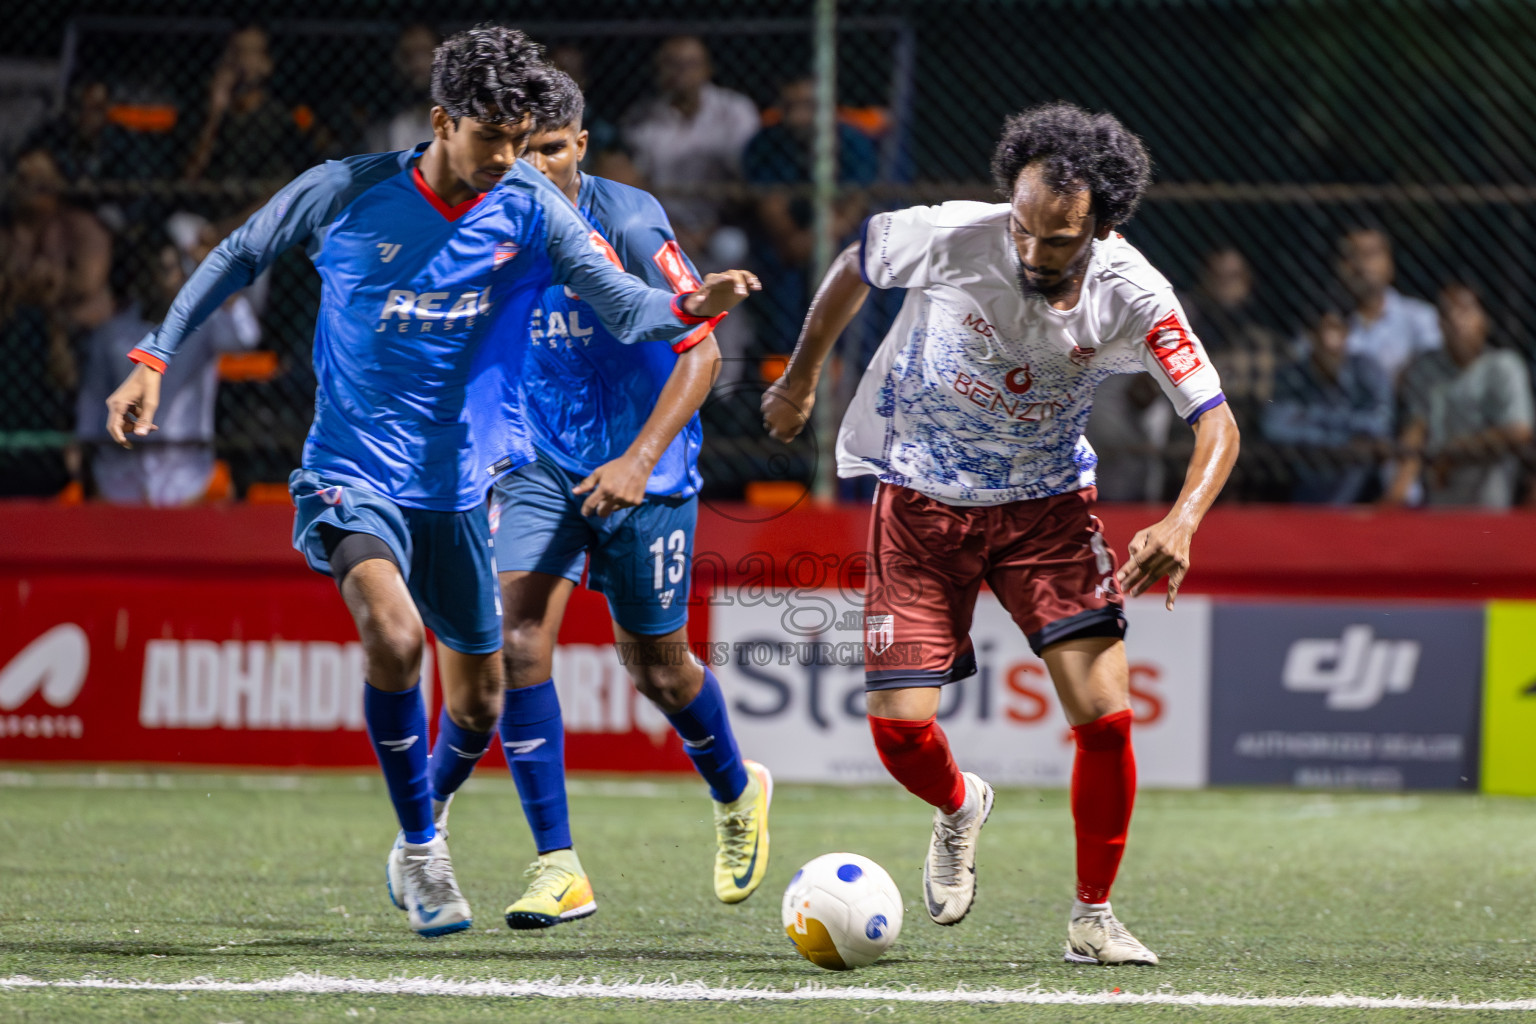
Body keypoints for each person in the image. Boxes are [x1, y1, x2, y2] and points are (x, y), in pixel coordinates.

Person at [104, 25, 758, 939]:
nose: (505, 157)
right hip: (349, 471)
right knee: (394, 633)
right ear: (442, 119)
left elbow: (622, 304)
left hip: (455, 489)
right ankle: (423, 848)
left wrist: (687, 305)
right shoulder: (347, 189)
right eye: (491, 136)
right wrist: (153, 356)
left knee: (483, 698)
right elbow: (238, 253)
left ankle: (685, 795)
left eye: (519, 136)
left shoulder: (529, 204)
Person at [761, 102, 1239, 966]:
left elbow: (1217, 421)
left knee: (1104, 719)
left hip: (1047, 510)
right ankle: (958, 805)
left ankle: (1093, 918)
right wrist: (800, 381)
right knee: (899, 731)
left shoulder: (1134, 294)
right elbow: (854, 262)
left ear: (1102, 226)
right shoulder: (952, 235)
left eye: (1056, 240)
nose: (1030, 252)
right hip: (917, 501)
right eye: (1022, 228)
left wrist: (1183, 517)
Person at [491, 72, 771, 930]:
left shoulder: (632, 221)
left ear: (579, 145)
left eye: (546, 150)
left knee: (655, 668)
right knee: (519, 641)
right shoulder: (492, 222)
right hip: (543, 463)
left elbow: (703, 357)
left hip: (644, 470)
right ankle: (558, 864)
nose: (529, 170)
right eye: (515, 153)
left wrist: (638, 461)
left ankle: (736, 791)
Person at [76, 231, 259, 504]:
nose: (160, 279)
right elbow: (93, 395)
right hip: (120, 477)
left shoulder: (203, 323)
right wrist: (83, 448)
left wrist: (223, 277)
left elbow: (245, 338)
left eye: (169, 269)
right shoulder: (112, 332)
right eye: (150, 271)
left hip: (186, 474)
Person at [743, 74, 878, 352]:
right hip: (786, 240)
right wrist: (796, 242)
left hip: (838, 234)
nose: (797, 115)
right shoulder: (766, 143)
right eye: (790, 106)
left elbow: (854, 203)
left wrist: (820, 240)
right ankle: (783, 370)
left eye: (807, 105)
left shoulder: (851, 140)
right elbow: (770, 204)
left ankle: (849, 370)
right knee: (778, 275)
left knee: (854, 261)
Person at [1386, 283, 1534, 507]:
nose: (1456, 321)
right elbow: (1417, 429)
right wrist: (1395, 497)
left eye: (1465, 311)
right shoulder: (1426, 369)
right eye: (1447, 313)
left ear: (1485, 320)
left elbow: (1519, 432)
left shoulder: (1503, 367)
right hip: (1441, 505)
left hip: (1493, 508)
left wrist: (1454, 453)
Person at [620, 36, 759, 249]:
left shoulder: (734, 111)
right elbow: (636, 182)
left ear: (708, 69)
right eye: (672, 64)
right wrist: (670, 229)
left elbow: (744, 178)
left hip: (719, 224)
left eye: (691, 64)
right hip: (660, 224)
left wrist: (711, 227)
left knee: (730, 247)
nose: (681, 72)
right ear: (658, 70)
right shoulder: (642, 118)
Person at [1262, 307, 1393, 504]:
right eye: (1320, 330)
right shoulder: (1291, 375)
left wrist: (1307, 418)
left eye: (1336, 329)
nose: (1328, 340)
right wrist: (1341, 442)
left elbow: (1381, 422)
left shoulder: (1366, 370)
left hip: (1360, 488)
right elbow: (1274, 427)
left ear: (1347, 333)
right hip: (1305, 478)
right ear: (1310, 336)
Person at [182, 24, 309, 183]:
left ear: (267, 63)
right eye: (237, 51)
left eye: (252, 52)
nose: (242, 62)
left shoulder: (281, 116)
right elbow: (190, 176)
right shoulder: (207, 112)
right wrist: (215, 113)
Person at [1338, 228, 1441, 383]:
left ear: (1390, 263)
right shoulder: (1325, 327)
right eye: (1351, 256)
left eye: (1370, 254)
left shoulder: (1422, 319)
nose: (1360, 264)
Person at [364, 24, 440, 154]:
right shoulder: (391, 120)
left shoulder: (459, 113)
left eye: (424, 52)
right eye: (408, 55)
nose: (417, 63)